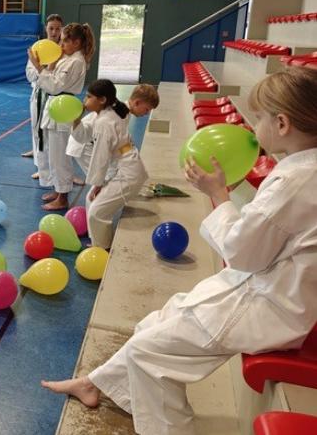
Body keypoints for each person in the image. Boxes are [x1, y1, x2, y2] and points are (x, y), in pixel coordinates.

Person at [42, 67, 317, 435]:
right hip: (265, 288)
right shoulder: (301, 172)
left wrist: (218, 193)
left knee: (148, 354)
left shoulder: (294, 181)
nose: (255, 126)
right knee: (157, 321)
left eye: (260, 118)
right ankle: (94, 383)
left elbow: (243, 253)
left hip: (271, 305)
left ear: (282, 124)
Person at [67, 81, 159, 248]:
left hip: (128, 171)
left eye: (89, 97)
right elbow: (85, 138)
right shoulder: (108, 114)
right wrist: (76, 119)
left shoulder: (108, 119)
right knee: (91, 200)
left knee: (97, 212)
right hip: (122, 164)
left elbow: (101, 156)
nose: (84, 100)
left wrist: (98, 183)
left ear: (102, 100)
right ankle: (96, 241)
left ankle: (102, 248)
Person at [28, 23, 95, 210]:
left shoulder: (77, 61)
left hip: (63, 107)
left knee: (60, 157)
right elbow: (52, 81)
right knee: (53, 154)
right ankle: (58, 191)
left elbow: (55, 86)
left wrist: (39, 67)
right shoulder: (67, 58)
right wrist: (48, 65)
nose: (61, 44)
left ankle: (63, 197)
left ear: (76, 42)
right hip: (55, 106)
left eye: (65, 40)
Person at [23, 13, 63, 171]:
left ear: (62, 30)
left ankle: (46, 165)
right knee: (36, 127)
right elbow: (29, 74)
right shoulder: (38, 48)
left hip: (56, 96)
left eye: (58, 29)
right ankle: (38, 155)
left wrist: (46, 70)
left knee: (50, 132)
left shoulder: (63, 50)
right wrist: (41, 67)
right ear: (46, 28)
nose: (54, 32)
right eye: (51, 28)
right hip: (38, 93)